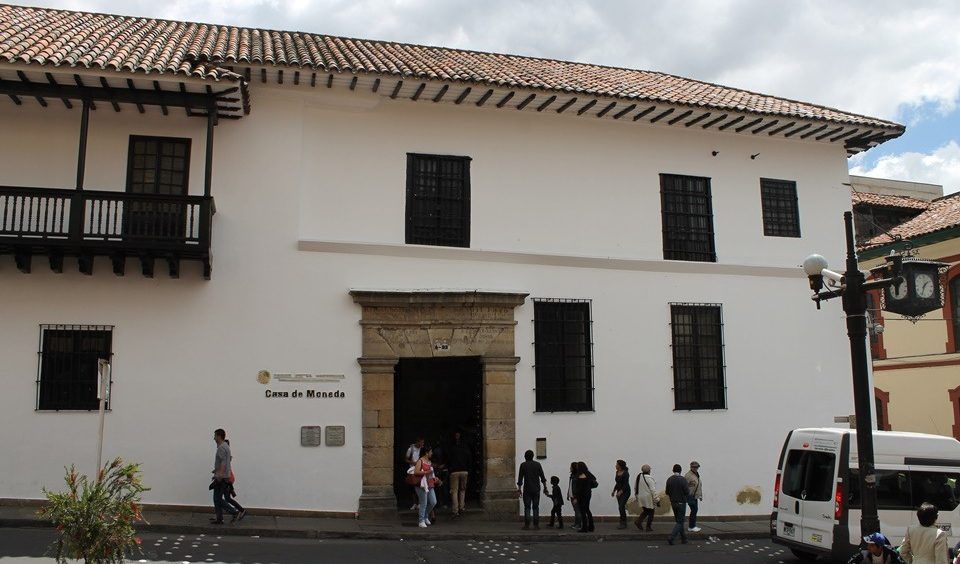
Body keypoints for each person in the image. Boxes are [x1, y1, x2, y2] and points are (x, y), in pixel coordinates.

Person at [210, 428, 238, 524]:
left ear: (219, 436)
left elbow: (223, 463)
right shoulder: (225, 446)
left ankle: (234, 512)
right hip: (224, 476)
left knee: (217, 498)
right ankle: (219, 518)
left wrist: (219, 475)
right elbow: (227, 460)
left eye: (215, 436)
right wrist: (216, 471)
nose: (214, 438)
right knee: (217, 498)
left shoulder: (221, 448)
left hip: (222, 478)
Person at [516, 449, 548, 530]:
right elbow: (542, 477)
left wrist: (519, 489)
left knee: (527, 507)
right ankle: (536, 525)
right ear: (533, 456)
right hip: (536, 489)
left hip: (527, 489)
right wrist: (545, 488)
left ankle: (527, 525)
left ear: (525, 457)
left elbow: (520, 478)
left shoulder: (523, 465)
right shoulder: (538, 465)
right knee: (535, 507)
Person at [446, 431, 472, 517]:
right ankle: (461, 507)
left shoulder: (451, 448)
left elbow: (448, 459)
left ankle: (455, 510)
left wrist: (449, 468)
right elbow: (469, 459)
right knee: (462, 490)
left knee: (454, 491)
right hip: (464, 471)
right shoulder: (465, 448)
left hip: (454, 471)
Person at [413, 445, 440, 528]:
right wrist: (426, 472)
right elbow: (416, 472)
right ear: (426, 452)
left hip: (430, 484)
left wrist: (435, 478)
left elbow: (431, 473)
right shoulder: (420, 461)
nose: (432, 453)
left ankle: (425, 516)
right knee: (423, 502)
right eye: (431, 452)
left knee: (433, 502)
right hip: (422, 485)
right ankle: (421, 521)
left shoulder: (429, 461)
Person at [665, 463, 689, 545]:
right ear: (681, 470)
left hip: (673, 502)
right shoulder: (683, 480)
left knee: (679, 521)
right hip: (681, 502)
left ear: (673, 470)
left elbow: (667, 492)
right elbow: (687, 492)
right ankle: (671, 537)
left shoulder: (669, 479)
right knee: (680, 521)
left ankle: (684, 538)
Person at [223, 439, 246, 522]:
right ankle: (238, 511)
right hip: (229, 478)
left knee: (225, 498)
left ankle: (240, 511)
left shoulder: (226, 455)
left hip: (228, 479)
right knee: (226, 498)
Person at [572, 461, 597, 533]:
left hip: (581, 496)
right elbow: (594, 479)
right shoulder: (588, 474)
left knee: (582, 511)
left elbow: (578, 489)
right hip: (588, 494)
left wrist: (575, 498)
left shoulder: (578, 476)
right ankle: (591, 526)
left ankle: (584, 527)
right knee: (587, 510)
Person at [633, 464, 658, 532]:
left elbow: (635, 487)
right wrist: (656, 499)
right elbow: (653, 490)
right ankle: (648, 527)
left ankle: (638, 521)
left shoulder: (639, 477)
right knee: (651, 512)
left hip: (640, 497)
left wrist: (636, 496)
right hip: (648, 498)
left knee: (646, 511)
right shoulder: (650, 479)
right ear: (649, 471)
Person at [405, 436, 425, 511]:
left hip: (420, 470)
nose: (422, 444)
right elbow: (406, 459)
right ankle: (414, 503)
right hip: (412, 470)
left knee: (420, 486)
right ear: (418, 442)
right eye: (421, 442)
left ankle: (420, 503)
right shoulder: (411, 449)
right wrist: (413, 462)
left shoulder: (422, 449)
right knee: (412, 487)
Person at [611, 459, 631, 529]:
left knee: (621, 506)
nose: (615, 466)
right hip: (619, 491)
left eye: (617, 464)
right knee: (621, 507)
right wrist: (614, 491)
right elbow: (617, 483)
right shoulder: (617, 472)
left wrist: (621, 491)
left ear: (620, 466)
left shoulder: (625, 473)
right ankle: (622, 521)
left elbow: (625, 484)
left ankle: (623, 523)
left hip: (625, 491)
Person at [685, 460, 703, 533]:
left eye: (696, 467)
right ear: (691, 467)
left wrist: (700, 495)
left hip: (695, 496)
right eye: (694, 467)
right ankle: (692, 526)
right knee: (694, 510)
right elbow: (685, 486)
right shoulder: (688, 475)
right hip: (690, 496)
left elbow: (698, 485)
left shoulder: (696, 474)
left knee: (694, 510)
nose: (695, 468)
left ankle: (692, 526)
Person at [567, 462, 582, 531]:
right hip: (572, 495)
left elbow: (578, 488)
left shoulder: (577, 476)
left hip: (575, 496)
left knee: (577, 510)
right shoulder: (572, 475)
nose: (570, 468)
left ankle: (579, 524)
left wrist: (576, 497)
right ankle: (576, 523)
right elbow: (570, 485)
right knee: (575, 510)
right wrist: (568, 494)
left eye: (571, 466)